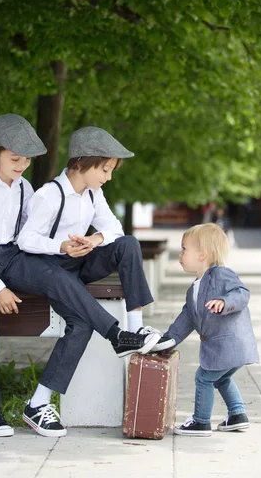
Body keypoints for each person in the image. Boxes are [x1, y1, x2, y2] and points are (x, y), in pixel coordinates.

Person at [0, 116, 165, 439]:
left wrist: (86, 242)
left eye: (26, 160)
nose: (22, 166)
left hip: (10, 256)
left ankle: (120, 335)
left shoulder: (24, 187)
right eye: (14, 159)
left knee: (60, 278)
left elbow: (22, 237)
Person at [17, 126, 173, 433]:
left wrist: (95, 239)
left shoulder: (93, 194)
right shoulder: (49, 195)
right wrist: (60, 246)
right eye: (104, 169)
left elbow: (114, 229)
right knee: (81, 325)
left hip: (79, 261)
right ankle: (38, 403)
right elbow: (25, 239)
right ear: (81, 163)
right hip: (51, 269)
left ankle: (133, 330)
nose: (108, 177)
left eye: (111, 170)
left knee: (128, 243)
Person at [151, 223, 259, 436]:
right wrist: (167, 340)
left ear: (202, 255)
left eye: (184, 249)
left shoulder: (221, 275)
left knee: (203, 377)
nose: (180, 254)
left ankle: (201, 421)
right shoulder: (195, 288)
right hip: (227, 347)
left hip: (229, 344)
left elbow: (242, 293)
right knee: (220, 378)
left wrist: (224, 301)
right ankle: (237, 415)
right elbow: (187, 319)